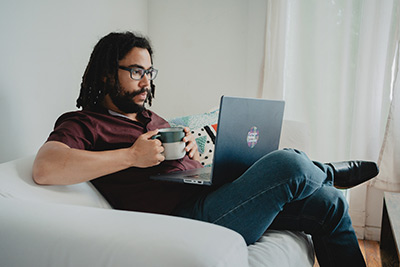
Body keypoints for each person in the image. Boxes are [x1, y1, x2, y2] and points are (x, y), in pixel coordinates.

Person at [33, 31, 379, 267]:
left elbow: (174, 166)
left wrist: (190, 155)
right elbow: (46, 168)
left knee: (328, 204)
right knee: (288, 164)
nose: (146, 81)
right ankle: (327, 172)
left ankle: (323, 179)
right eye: (136, 71)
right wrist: (130, 156)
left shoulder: (150, 117)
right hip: (186, 220)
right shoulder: (83, 123)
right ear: (108, 74)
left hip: (212, 197)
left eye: (149, 71)